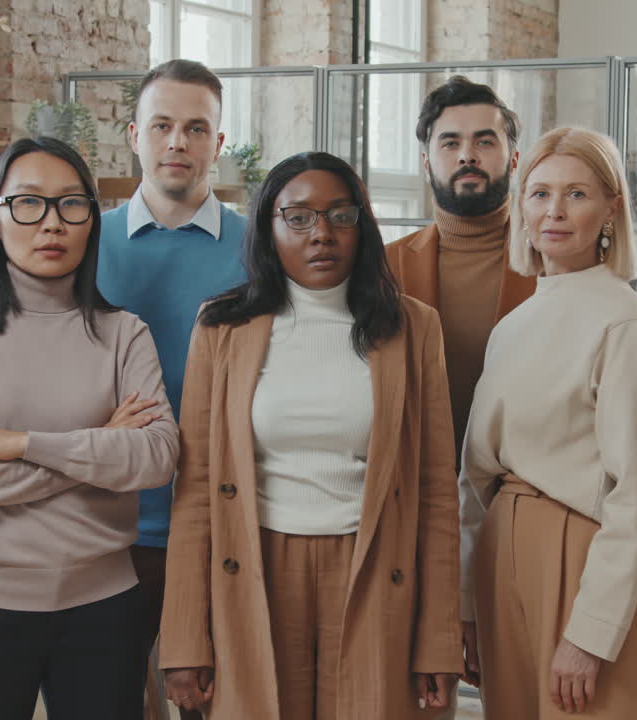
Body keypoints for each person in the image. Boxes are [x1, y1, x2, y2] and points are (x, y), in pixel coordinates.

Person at [159, 152, 462, 719]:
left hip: (374, 568)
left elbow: (437, 492)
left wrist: (439, 638)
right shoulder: (221, 328)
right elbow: (196, 487)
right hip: (254, 570)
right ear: (268, 231)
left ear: (362, 227)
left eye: (339, 216)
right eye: (297, 217)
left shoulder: (413, 327)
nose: (320, 233)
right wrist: (184, 636)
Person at [0, 137, 180, 720]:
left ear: (91, 220)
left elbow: (157, 457)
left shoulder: (123, 334)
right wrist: (99, 450)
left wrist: (13, 443)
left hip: (103, 607)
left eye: (71, 205)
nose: (51, 224)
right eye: (28, 203)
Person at [459, 127, 637, 719]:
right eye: (539, 193)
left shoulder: (627, 324)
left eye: (576, 194)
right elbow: (476, 481)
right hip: (503, 560)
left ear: (611, 209)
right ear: (521, 207)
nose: (554, 211)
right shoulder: (514, 325)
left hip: (585, 560)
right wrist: (468, 606)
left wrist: (592, 634)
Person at [97, 58, 247, 709]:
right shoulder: (80, 243)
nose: (177, 142)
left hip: (222, 527)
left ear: (219, 143)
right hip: (108, 527)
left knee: (213, 706)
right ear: (134, 134)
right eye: (162, 125)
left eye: (195, 128)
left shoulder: (259, 250)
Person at [385, 76, 536, 464]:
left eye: (485, 141)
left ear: (514, 159)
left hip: (525, 490)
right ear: (425, 162)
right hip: (414, 488)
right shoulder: (383, 267)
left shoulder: (553, 265)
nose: (467, 155)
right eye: (450, 143)